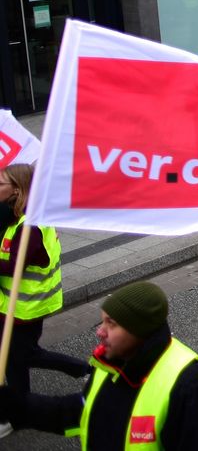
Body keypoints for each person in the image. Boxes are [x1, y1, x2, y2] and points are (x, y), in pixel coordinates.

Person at [0, 281, 198, 449]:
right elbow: (84, 411)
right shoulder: (111, 362)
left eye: (111, 324)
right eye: (102, 321)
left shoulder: (190, 384)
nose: (100, 331)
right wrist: (17, 405)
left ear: (139, 330)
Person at [0, 164, 90, 423]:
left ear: (17, 190)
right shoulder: (17, 216)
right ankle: (18, 409)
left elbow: (13, 266)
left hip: (26, 308)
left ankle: (17, 413)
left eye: (1, 184)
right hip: (13, 304)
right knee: (16, 356)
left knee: (21, 356)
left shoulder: (30, 227)